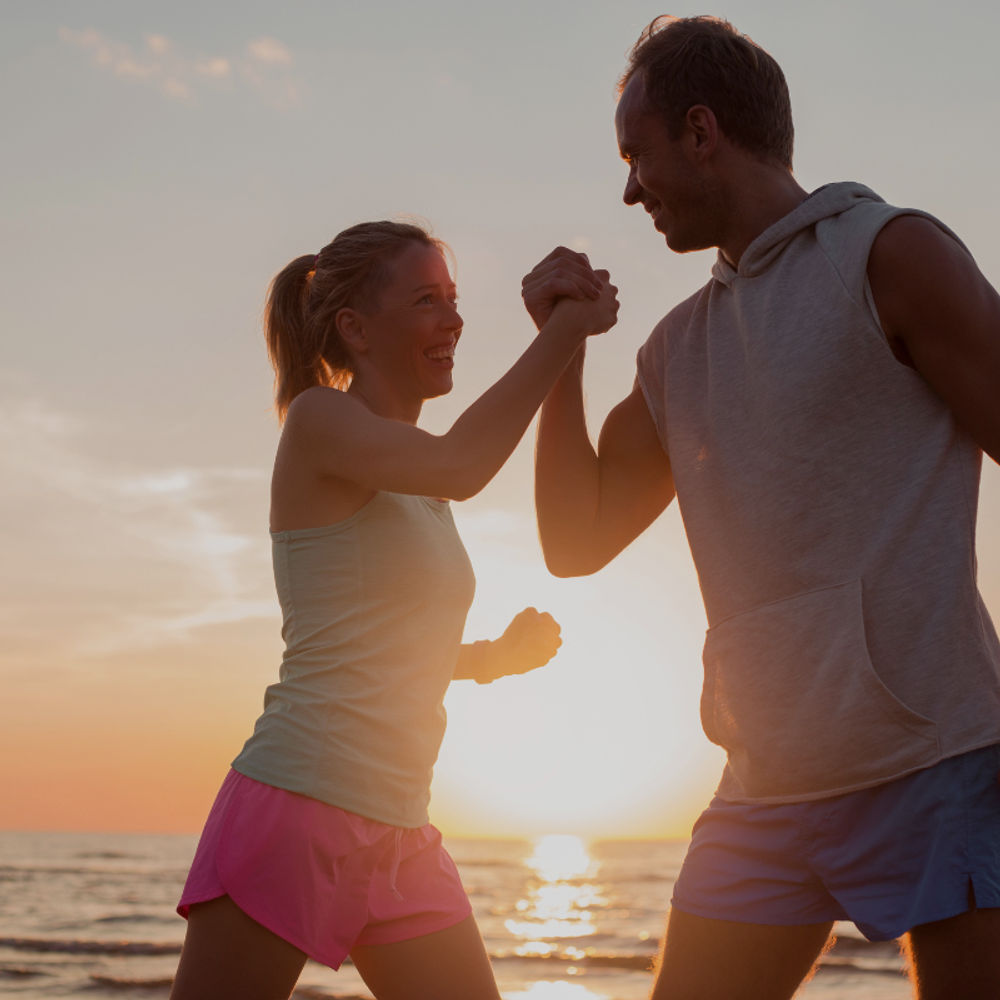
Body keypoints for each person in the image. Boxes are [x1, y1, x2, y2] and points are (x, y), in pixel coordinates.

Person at [522, 15, 1000, 1000]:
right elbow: (574, 540)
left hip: (937, 762)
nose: (627, 187)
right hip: (762, 789)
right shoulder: (677, 348)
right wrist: (561, 348)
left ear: (701, 132)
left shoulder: (888, 253)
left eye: (635, 153)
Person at [170, 220, 619, 1000]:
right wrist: (565, 334)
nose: (453, 321)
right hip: (299, 808)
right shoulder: (321, 421)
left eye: (453, 299)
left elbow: (377, 640)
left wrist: (487, 661)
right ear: (355, 328)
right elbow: (464, 464)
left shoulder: (412, 476)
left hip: (401, 829)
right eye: (425, 301)